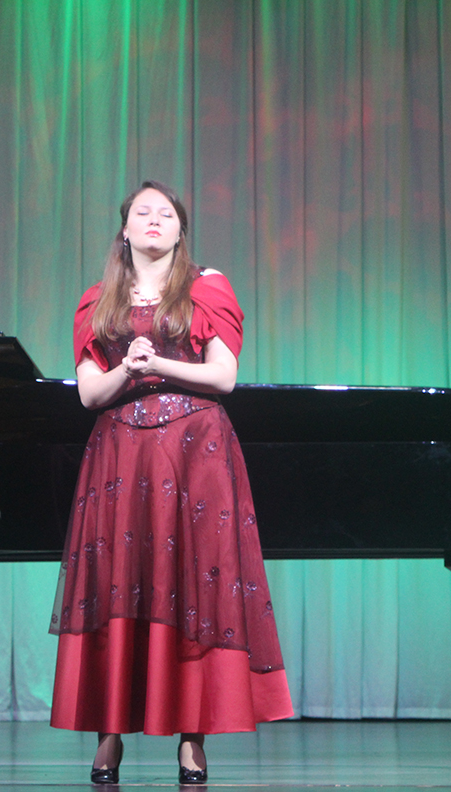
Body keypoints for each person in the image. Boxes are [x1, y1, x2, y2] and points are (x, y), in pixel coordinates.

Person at [49, 182, 293, 785]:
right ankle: (109, 735)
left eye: (166, 214)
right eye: (143, 212)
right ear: (125, 229)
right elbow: (89, 393)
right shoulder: (97, 300)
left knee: (193, 586)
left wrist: (155, 363)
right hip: (120, 456)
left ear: (181, 231)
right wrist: (127, 372)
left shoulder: (207, 286)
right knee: (116, 585)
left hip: (194, 453)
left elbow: (224, 377)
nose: (155, 220)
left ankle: (192, 737)